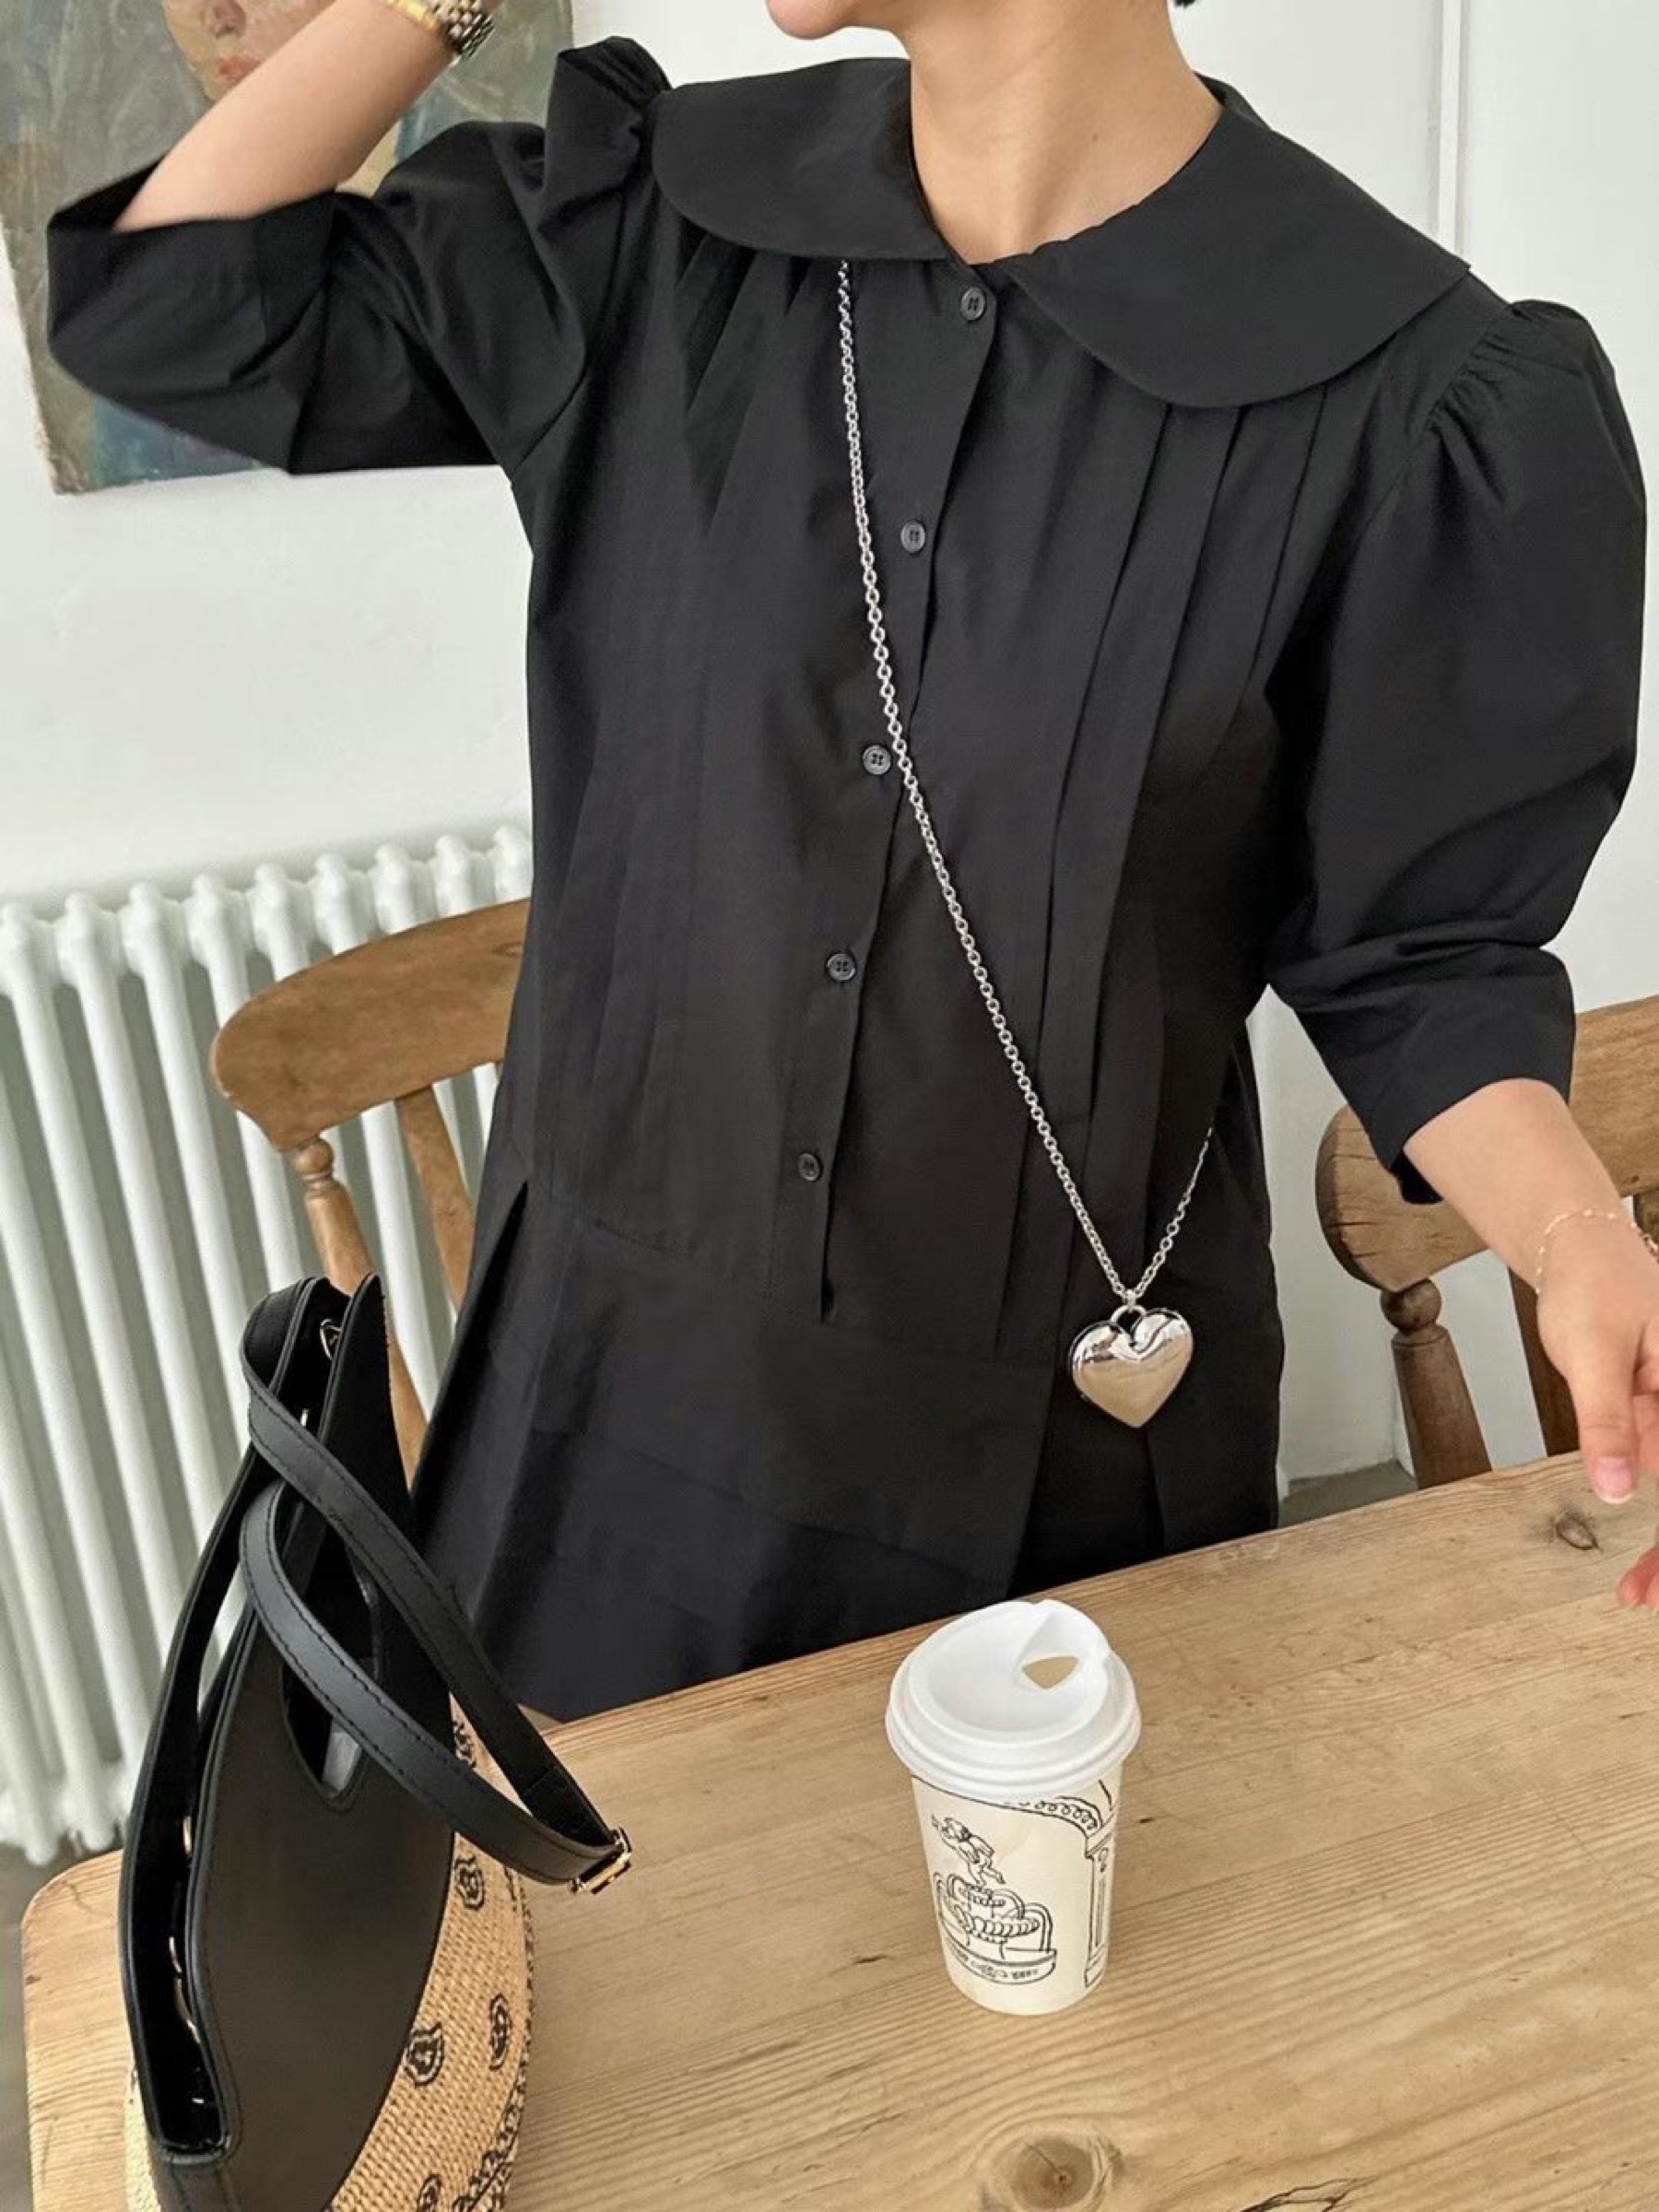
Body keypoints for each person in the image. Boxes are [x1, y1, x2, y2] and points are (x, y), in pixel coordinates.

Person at [44, 0, 1657, 1724]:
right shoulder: (657, 231)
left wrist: (1578, 1244)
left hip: (1063, 1440)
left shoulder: (1409, 394)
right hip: (611, 1417)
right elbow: (163, 302)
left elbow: (1417, 960)